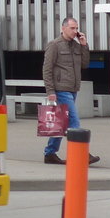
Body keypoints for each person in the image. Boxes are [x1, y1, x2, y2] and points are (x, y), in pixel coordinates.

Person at [42, 17, 99, 165]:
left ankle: (50, 153)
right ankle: (82, 154)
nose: (75, 31)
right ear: (63, 28)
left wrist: (84, 45)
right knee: (74, 121)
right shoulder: (54, 45)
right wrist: (50, 91)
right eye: (72, 28)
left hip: (73, 88)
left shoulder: (76, 45)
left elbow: (85, 64)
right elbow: (47, 69)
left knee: (61, 123)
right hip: (61, 90)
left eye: (76, 28)